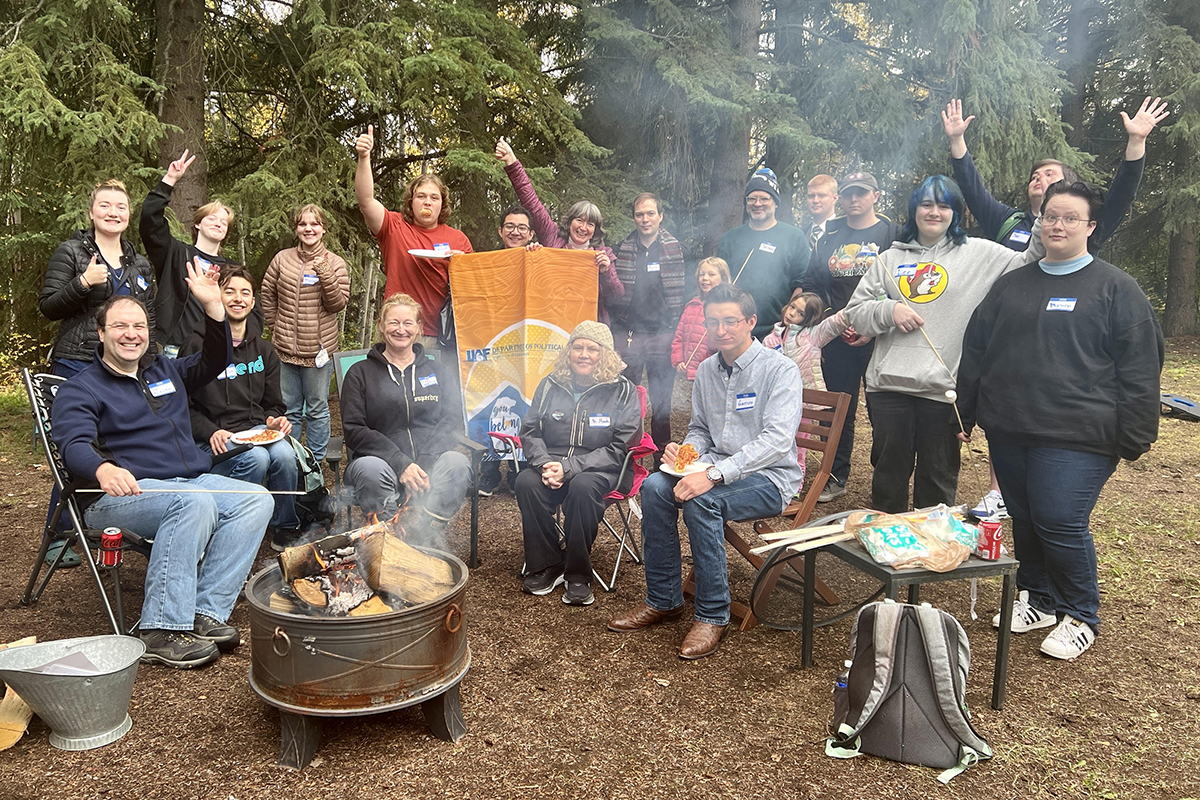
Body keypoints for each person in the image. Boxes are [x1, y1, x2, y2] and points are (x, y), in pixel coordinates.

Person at [957, 181, 1163, 661]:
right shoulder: (1012, 285)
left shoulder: (1115, 288)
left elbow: (1139, 367)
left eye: (1071, 217)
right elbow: (976, 351)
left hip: (1080, 434)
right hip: (1011, 428)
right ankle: (1040, 599)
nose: (1058, 224)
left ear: (1091, 226)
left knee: (1059, 519)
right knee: (1025, 516)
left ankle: (1080, 614)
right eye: (1051, 215)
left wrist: (1135, 434)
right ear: (1039, 221)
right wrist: (967, 410)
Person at [943, 96, 1169, 520]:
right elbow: (973, 190)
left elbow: (1118, 196)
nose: (1040, 178)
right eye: (1035, 175)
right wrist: (958, 143)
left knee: (1058, 519)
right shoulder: (1010, 222)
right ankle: (1000, 493)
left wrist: (1135, 145)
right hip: (1012, 334)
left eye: (1050, 174)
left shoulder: (1087, 237)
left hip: (1067, 368)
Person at [51, 261, 272, 669]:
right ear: (101, 334)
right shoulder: (82, 387)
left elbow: (217, 358)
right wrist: (102, 469)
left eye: (138, 326)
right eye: (119, 326)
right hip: (120, 495)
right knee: (192, 502)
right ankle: (160, 630)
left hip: (187, 482)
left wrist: (214, 309)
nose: (131, 334)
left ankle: (205, 612)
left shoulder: (163, 369)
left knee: (255, 499)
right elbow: (72, 443)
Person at [607, 284, 803, 660]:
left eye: (731, 321)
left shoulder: (780, 370)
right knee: (653, 487)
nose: (721, 329)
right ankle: (664, 599)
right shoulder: (708, 370)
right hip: (714, 466)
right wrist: (686, 452)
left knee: (703, 502)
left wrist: (712, 475)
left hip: (770, 477)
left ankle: (713, 614)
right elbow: (700, 427)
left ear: (751, 322)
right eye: (713, 322)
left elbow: (777, 441)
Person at [843, 175, 1040, 514]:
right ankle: (886, 551)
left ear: (957, 213)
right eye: (927, 204)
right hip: (888, 387)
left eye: (944, 205)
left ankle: (930, 554)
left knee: (937, 480)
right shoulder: (890, 259)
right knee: (888, 478)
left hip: (943, 389)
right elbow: (855, 314)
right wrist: (889, 310)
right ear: (914, 210)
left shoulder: (980, 254)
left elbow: (1029, 261)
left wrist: (1043, 214)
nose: (934, 212)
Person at [515, 322, 641, 606]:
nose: (584, 354)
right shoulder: (550, 384)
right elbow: (531, 431)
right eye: (578, 347)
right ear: (569, 351)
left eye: (592, 349)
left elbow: (620, 447)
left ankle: (578, 574)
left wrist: (570, 467)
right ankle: (548, 564)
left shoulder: (622, 391)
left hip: (603, 469)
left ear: (605, 355)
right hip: (552, 464)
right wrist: (545, 464)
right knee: (525, 482)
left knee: (583, 487)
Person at [182, 267, 301, 551]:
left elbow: (273, 403)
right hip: (213, 437)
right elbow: (181, 407)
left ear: (253, 301)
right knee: (257, 459)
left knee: (285, 453)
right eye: (230, 291)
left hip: (255, 430)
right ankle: (231, 524)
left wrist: (274, 420)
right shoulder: (196, 345)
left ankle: (285, 524)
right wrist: (209, 431)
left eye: (245, 292)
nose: (238, 298)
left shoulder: (264, 350)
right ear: (218, 297)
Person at [340, 294, 472, 548]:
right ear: (381, 325)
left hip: (428, 464)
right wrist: (402, 465)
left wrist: (420, 465)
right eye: (393, 323)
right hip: (380, 463)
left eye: (408, 323)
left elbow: (452, 421)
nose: (401, 330)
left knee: (457, 462)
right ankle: (390, 541)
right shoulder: (360, 373)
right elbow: (354, 429)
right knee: (370, 470)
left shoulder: (437, 372)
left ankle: (423, 534)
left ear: (419, 328)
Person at [803, 171, 899, 502]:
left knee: (882, 408)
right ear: (840, 199)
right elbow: (814, 283)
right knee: (838, 409)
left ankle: (887, 481)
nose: (853, 200)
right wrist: (833, 320)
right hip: (839, 336)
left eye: (861, 193)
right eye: (847, 194)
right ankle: (834, 475)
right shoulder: (829, 236)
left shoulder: (891, 233)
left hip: (880, 336)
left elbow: (899, 283)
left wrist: (871, 324)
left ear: (875, 195)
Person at [353, 125, 472, 344]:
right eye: (421, 196)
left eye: (434, 198)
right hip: (398, 331)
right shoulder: (394, 225)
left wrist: (462, 265)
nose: (427, 202)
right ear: (411, 201)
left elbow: (472, 289)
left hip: (441, 335)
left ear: (442, 205)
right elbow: (366, 200)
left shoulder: (459, 239)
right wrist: (363, 157)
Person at [494, 139, 623, 325]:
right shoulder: (553, 237)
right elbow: (532, 202)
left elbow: (617, 297)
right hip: (552, 324)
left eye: (590, 224)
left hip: (588, 330)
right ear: (570, 222)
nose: (583, 227)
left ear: (595, 230)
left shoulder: (603, 254)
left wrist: (606, 271)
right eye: (579, 220)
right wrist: (512, 162)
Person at [259, 203, 350, 464]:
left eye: (314, 224)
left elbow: (337, 303)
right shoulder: (282, 258)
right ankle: (291, 460)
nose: (308, 229)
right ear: (296, 228)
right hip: (285, 350)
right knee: (290, 410)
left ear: (323, 229)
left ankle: (315, 463)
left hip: (318, 352)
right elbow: (267, 293)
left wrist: (323, 271)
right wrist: (276, 326)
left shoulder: (335, 263)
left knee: (318, 408)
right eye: (302, 224)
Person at [40, 179, 157, 378]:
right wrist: (83, 283)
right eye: (105, 206)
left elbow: (149, 318)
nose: (113, 213)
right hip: (79, 362)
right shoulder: (71, 252)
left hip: (126, 363)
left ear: (128, 214)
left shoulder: (139, 264)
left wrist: (151, 361)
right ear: (92, 213)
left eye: (121, 207)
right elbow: (48, 307)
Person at [140, 150, 244, 356]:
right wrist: (170, 179)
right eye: (212, 218)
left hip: (217, 350)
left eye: (224, 222)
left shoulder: (234, 269)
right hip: (173, 350)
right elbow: (150, 222)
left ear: (226, 233)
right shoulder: (175, 254)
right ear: (197, 224)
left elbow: (248, 310)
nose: (218, 223)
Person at [606, 193, 686, 457]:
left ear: (660, 216)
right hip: (630, 334)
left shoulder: (675, 248)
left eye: (650, 213)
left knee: (661, 403)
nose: (645, 219)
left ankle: (661, 461)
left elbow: (683, 292)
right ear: (634, 217)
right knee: (628, 400)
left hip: (663, 334)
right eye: (640, 214)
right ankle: (626, 458)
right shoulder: (623, 248)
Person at [478, 204, 537, 496]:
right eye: (510, 226)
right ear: (500, 231)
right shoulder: (486, 262)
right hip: (492, 343)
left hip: (527, 347)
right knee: (491, 403)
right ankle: (488, 471)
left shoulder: (537, 259)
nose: (515, 231)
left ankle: (519, 470)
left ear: (531, 234)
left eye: (522, 227)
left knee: (523, 405)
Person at [717, 167, 811, 342]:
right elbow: (719, 281)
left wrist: (787, 320)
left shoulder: (793, 236)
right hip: (734, 330)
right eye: (752, 199)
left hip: (774, 330)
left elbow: (801, 282)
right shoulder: (730, 238)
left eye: (764, 198)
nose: (757, 203)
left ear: (775, 202)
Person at [672, 257, 729, 381]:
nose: (705, 278)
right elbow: (679, 338)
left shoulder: (728, 307)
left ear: (723, 278)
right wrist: (679, 360)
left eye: (711, 274)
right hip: (691, 373)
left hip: (714, 373)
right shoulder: (692, 306)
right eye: (701, 274)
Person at [804, 174, 838, 248]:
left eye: (821, 195)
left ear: (834, 198)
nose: (815, 200)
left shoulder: (844, 232)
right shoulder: (801, 234)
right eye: (811, 196)